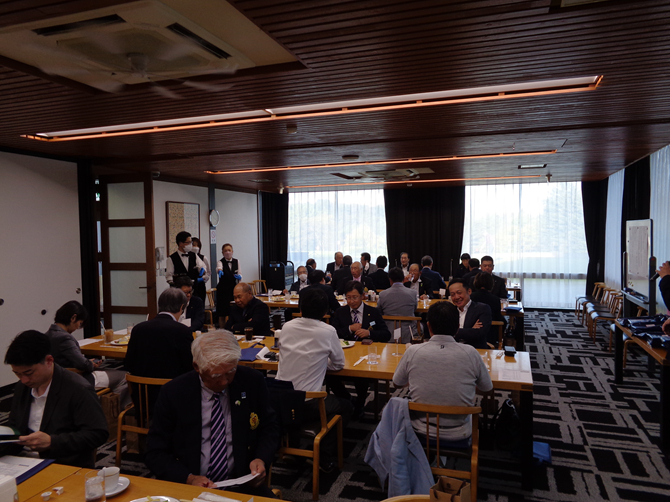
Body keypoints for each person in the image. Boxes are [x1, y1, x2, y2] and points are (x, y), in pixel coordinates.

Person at [145, 332, 280, 497]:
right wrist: (189, 478)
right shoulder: (174, 392)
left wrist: (261, 459)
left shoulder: (251, 381)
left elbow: (269, 427)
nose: (224, 382)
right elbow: (155, 451)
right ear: (197, 367)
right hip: (190, 486)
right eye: (216, 375)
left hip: (242, 483)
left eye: (230, 372)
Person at [5, 330, 108, 468]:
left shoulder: (77, 388)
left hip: (61, 464)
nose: (24, 380)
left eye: (29, 373)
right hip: (21, 461)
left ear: (49, 361)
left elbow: (97, 434)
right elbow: (14, 425)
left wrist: (52, 442)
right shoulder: (22, 387)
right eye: (17, 374)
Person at [276, 287, 353, 469]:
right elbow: (338, 364)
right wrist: (320, 363)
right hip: (308, 403)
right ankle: (323, 455)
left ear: (300, 308)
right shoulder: (327, 331)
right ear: (326, 311)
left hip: (280, 399)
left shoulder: (287, 326)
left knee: (299, 400)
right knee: (347, 406)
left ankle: (293, 448)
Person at [393, 302, 492, 441]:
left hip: (420, 428)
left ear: (428, 326)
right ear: (457, 328)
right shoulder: (471, 353)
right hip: (460, 431)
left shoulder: (413, 351)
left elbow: (397, 383)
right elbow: (487, 388)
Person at [45, 301, 130, 408]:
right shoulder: (65, 338)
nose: (77, 327)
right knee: (125, 376)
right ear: (73, 318)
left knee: (111, 369)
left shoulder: (47, 334)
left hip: (57, 380)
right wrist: (91, 364)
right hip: (76, 379)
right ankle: (108, 411)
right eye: (79, 323)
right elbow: (83, 365)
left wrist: (87, 362)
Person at [125, 288, 194, 411]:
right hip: (173, 399)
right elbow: (189, 366)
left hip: (143, 400)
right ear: (181, 307)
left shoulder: (138, 329)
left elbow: (129, 363)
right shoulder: (182, 331)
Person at [330, 281, 391, 417]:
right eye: (348, 297)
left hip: (366, 355)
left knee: (361, 377)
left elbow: (386, 334)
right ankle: (348, 399)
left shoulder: (373, 312)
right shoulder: (340, 312)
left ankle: (360, 403)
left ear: (362, 296)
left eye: (355, 297)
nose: (351, 301)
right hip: (345, 354)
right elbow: (332, 333)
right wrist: (349, 329)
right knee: (329, 375)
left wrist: (369, 333)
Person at [378, 267, 419, 342]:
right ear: (403, 278)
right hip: (408, 332)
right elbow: (415, 309)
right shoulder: (413, 293)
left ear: (390, 280)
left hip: (388, 331)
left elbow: (379, 311)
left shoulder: (382, 294)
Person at [448, 278, 491, 349]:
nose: (456, 297)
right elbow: (443, 334)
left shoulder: (482, 308)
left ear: (469, 291)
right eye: (453, 295)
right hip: (452, 350)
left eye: (459, 293)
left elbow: (479, 333)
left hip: (475, 350)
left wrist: (454, 332)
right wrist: (470, 329)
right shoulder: (449, 311)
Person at [470, 273, 507, 346]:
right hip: (491, 333)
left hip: (472, 331)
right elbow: (498, 317)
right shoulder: (495, 299)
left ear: (475, 283)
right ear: (491, 284)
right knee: (504, 322)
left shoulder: (470, 297)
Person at [216, 243, 241, 328]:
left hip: (233, 289)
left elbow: (240, 273)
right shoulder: (220, 262)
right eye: (225, 251)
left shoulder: (236, 261)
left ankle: (233, 329)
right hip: (222, 290)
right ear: (222, 253)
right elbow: (219, 268)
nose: (227, 252)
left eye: (229, 250)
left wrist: (239, 277)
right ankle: (222, 331)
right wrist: (219, 271)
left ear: (232, 251)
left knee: (233, 312)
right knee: (222, 313)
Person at [191, 237, 211, 304]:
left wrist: (203, 278)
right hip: (191, 284)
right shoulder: (187, 257)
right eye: (192, 245)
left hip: (200, 285)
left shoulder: (203, 257)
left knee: (200, 303)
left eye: (195, 245)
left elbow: (208, 272)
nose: (194, 247)